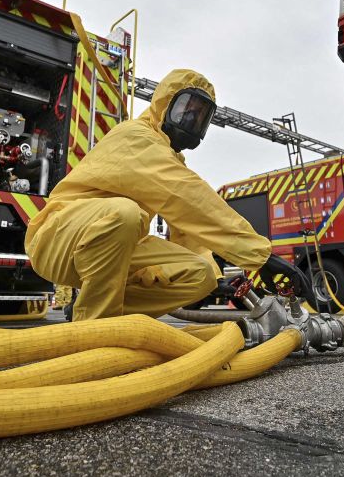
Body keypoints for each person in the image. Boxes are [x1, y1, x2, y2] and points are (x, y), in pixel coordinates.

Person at [25, 68, 305, 321]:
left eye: (200, 116)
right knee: (125, 213)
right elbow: (188, 198)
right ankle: (94, 331)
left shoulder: (169, 161)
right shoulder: (136, 137)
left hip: (112, 247)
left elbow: (185, 224)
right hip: (58, 239)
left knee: (200, 276)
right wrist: (260, 256)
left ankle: (94, 309)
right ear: (164, 104)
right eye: (187, 109)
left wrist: (215, 277)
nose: (192, 120)